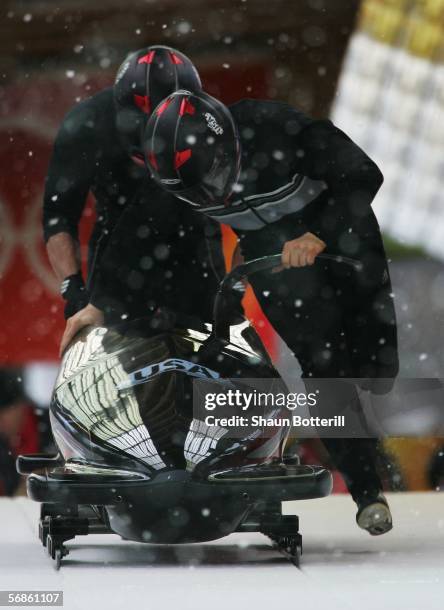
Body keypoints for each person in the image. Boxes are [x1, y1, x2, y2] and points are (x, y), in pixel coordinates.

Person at [139, 90, 399, 535]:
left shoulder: (277, 127)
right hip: (272, 257)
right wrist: (220, 290)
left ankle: (366, 423)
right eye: (196, 190)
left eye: (214, 175)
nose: (212, 193)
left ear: (227, 145)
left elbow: (362, 175)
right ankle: (367, 491)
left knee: (377, 368)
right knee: (321, 366)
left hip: (341, 232)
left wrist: (318, 234)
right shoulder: (185, 186)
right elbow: (197, 240)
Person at [43, 45, 217, 320]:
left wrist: (235, 285)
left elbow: (238, 196)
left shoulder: (210, 124)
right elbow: (59, 214)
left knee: (208, 319)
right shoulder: (87, 125)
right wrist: (72, 285)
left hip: (191, 232)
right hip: (118, 238)